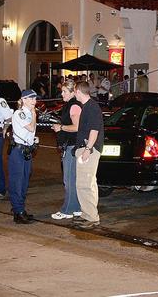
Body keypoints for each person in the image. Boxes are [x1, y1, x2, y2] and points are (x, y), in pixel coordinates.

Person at [73, 81, 104, 229]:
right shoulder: (87, 107)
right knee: (83, 184)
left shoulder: (92, 107)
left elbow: (94, 130)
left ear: (78, 91)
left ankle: (92, 217)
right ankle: (86, 214)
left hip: (89, 150)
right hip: (86, 148)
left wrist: (87, 149)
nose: (74, 94)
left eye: (74, 91)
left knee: (86, 184)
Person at [51, 80, 82, 220]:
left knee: (69, 179)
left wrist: (61, 128)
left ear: (72, 92)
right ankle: (76, 208)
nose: (61, 94)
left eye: (64, 91)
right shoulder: (70, 105)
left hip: (72, 146)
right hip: (70, 145)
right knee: (71, 179)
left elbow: (77, 127)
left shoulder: (74, 106)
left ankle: (67, 210)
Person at [8, 89, 38, 224]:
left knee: (25, 181)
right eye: (31, 98)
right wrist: (33, 115)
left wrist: (34, 140)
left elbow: (31, 133)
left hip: (27, 151)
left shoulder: (29, 114)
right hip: (18, 152)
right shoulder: (19, 113)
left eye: (35, 99)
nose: (34, 101)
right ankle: (18, 212)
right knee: (17, 182)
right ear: (24, 100)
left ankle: (20, 209)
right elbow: (31, 128)